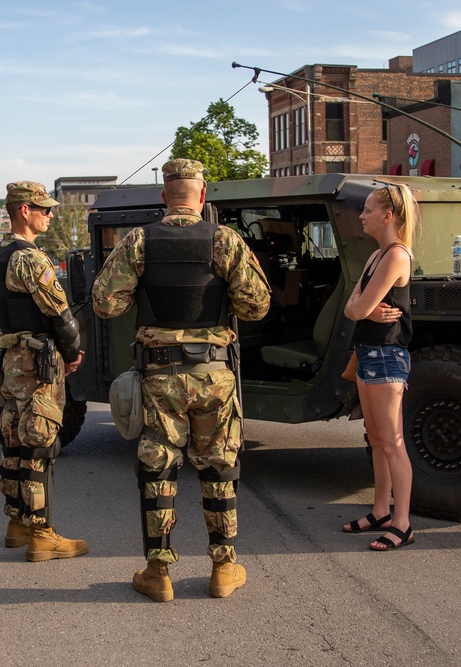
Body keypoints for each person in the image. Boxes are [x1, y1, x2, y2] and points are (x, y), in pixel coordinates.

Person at [92, 159, 271, 601]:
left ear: (163, 196)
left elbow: (104, 304)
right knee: (219, 466)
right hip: (214, 374)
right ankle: (224, 569)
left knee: (158, 467)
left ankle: (158, 573)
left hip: (161, 375)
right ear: (203, 195)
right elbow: (256, 307)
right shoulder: (225, 240)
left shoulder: (139, 241)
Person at [0, 181, 87, 562]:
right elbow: (60, 314)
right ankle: (42, 533)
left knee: (14, 439)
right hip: (37, 361)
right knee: (41, 444)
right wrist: (72, 352)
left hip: (11, 361)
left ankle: (17, 524)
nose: (50, 215)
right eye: (44, 209)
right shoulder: (30, 259)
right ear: (23, 210)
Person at [341, 183, 418, 551]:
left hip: (387, 357)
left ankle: (402, 524)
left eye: (368, 210)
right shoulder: (377, 256)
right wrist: (364, 307)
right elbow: (350, 306)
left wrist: (362, 306)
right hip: (369, 353)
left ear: (387, 216)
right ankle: (380, 511)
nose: (362, 215)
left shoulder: (395, 256)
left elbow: (355, 307)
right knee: (376, 439)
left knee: (392, 442)